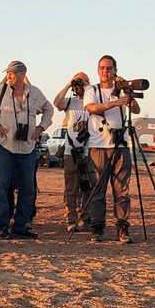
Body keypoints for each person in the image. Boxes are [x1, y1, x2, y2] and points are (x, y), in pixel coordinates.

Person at [0, 60, 54, 240]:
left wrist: (41, 127)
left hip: (28, 147)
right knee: (1, 187)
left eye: (13, 74)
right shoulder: (0, 92)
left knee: (28, 188)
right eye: (8, 74)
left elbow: (49, 109)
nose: (9, 77)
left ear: (23, 74)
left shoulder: (35, 93)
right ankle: (2, 226)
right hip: (6, 145)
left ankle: (21, 226)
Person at [83, 55, 142, 244]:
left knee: (122, 190)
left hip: (120, 145)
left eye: (109, 68)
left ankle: (122, 228)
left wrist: (125, 89)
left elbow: (136, 109)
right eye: (101, 68)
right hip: (98, 146)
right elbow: (91, 108)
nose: (105, 71)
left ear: (115, 70)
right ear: (97, 70)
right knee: (98, 189)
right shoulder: (92, 89)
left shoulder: (121, 91)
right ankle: (97, 228)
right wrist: (115, 103)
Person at [53, 72, 91, 231]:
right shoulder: (69, 102)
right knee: (71, 188)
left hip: (91, 150)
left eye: (80, 85)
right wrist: (69, 84)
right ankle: (71, 219)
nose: (78, 88)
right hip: (71, 150)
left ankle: (88, 218)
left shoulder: (93, 101)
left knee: (89, 187)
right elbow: (57, 102)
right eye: (76, 86)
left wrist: (88, 87)